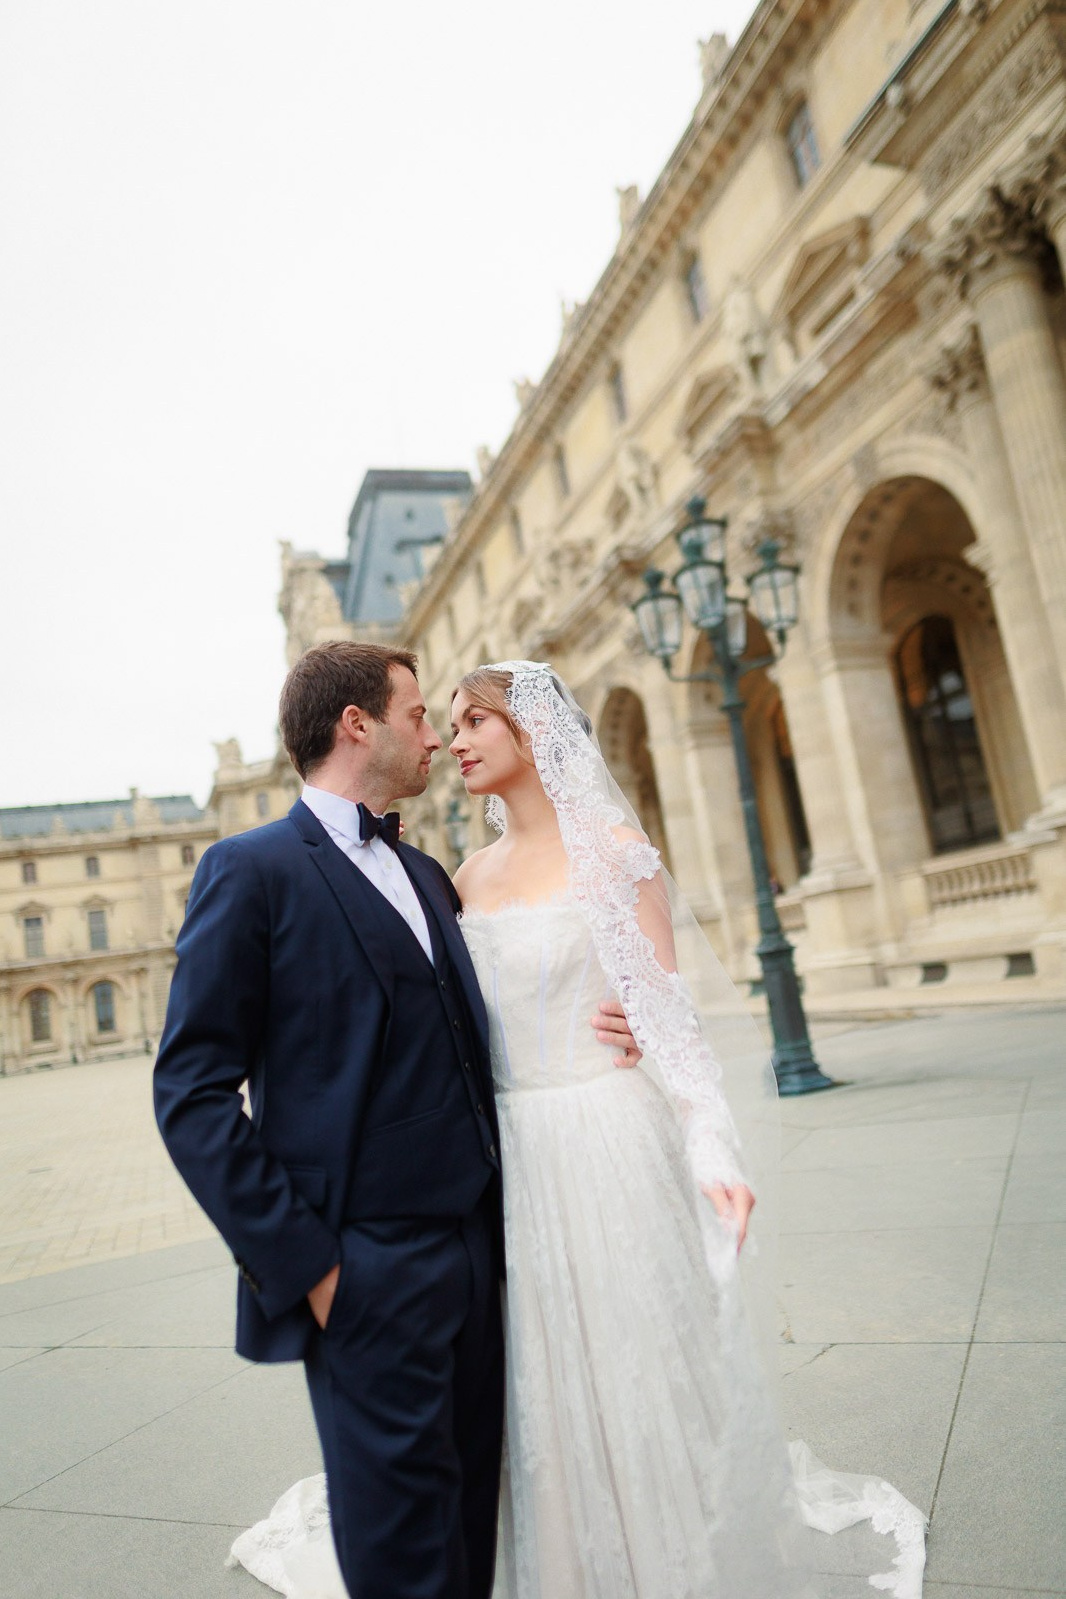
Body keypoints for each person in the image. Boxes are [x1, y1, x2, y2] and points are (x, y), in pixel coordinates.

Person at [230, 659, 928, 1599]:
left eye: (477, 721)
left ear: (534, 732)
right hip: (502, 1162)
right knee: (532, 1396)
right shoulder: (459, 878)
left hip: (605, 1140)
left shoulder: (613, 848)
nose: (455, 740)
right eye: (447, 721)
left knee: (636, 1371)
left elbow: (670, 1017)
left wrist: (710, 1141)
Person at [153, 642, 640, 1599]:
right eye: (420, 714)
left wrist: (629, 1013)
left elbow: (484, 1028)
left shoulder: (426, 876)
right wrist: (314, 1271)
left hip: (487, 1258)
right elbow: (192, 1092)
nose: (434, 735)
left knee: (472, 1536)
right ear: (357, 724)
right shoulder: (248, 871)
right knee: (402, 1562)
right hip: (363, 1271)